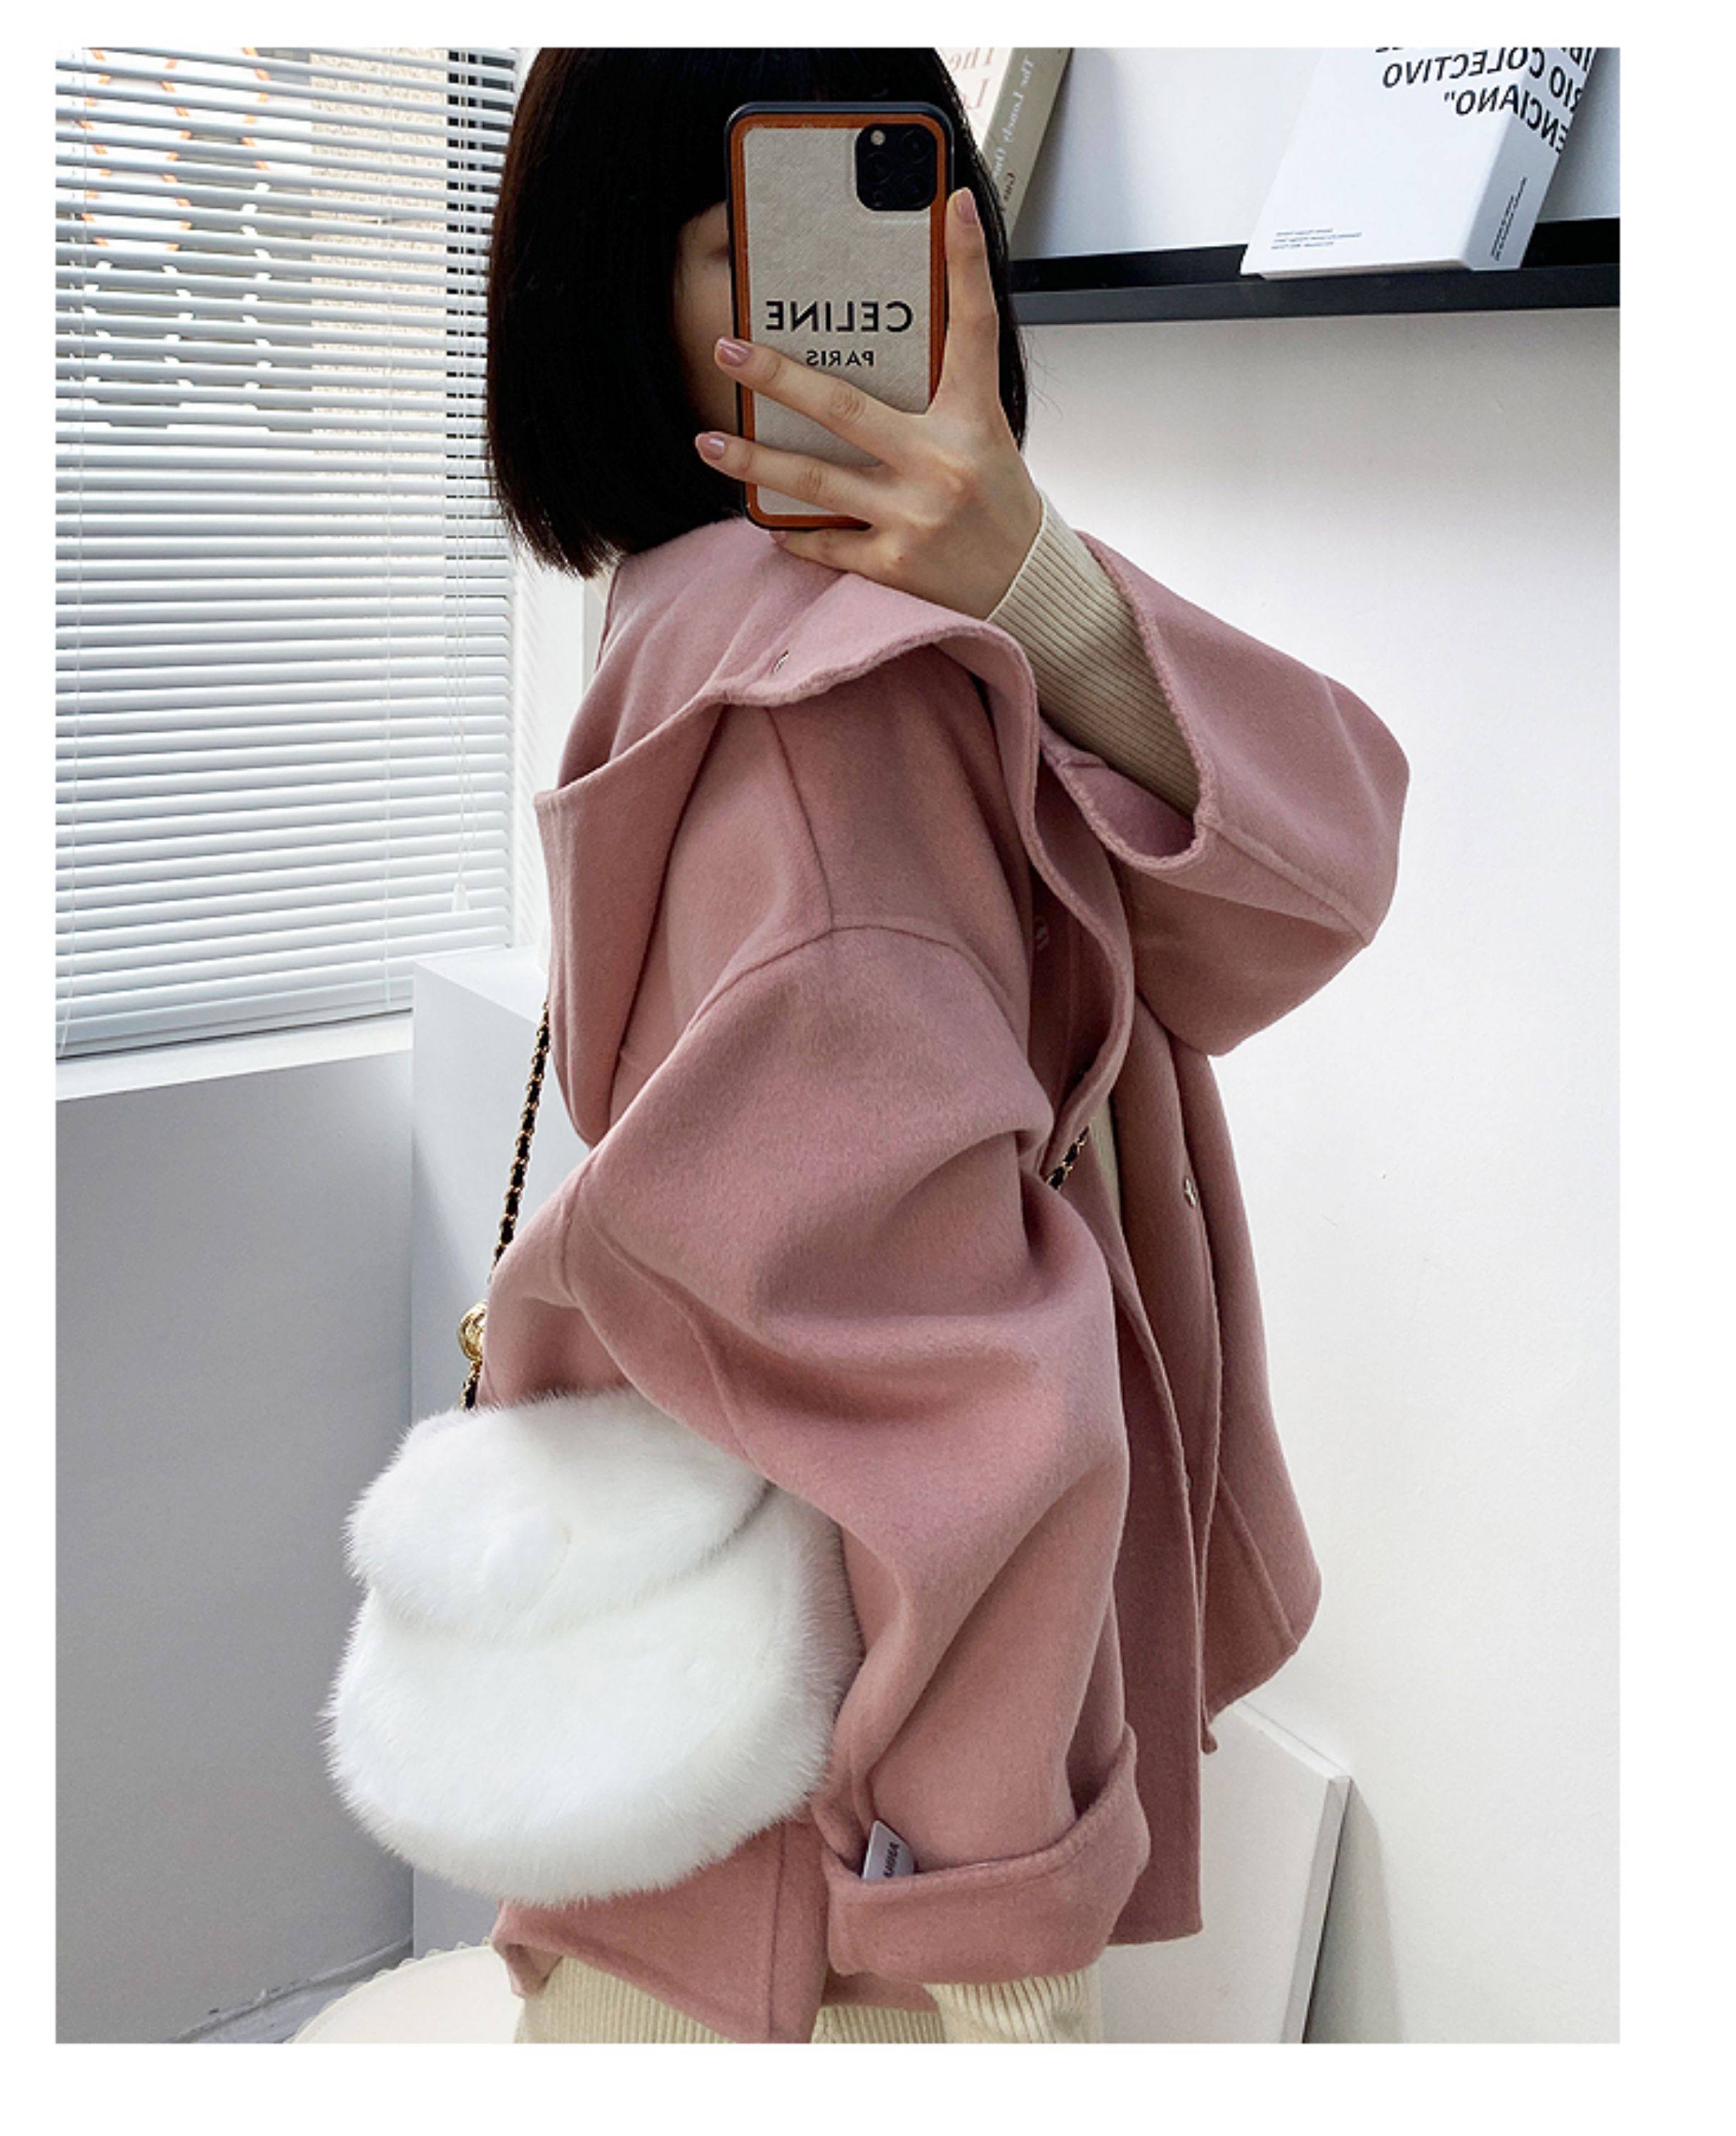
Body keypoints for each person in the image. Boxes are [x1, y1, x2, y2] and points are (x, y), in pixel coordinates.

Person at [477, 47, 1410, 2045]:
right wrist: (988, 1900)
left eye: (897, 219)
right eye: (758, 242)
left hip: (719, 1777)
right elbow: (957, 1391)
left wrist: (1029, 579)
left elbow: (1315, 864)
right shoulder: (851, 691)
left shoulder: (730, 612)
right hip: (851, 1868)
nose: (849, 298)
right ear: (619, 293)